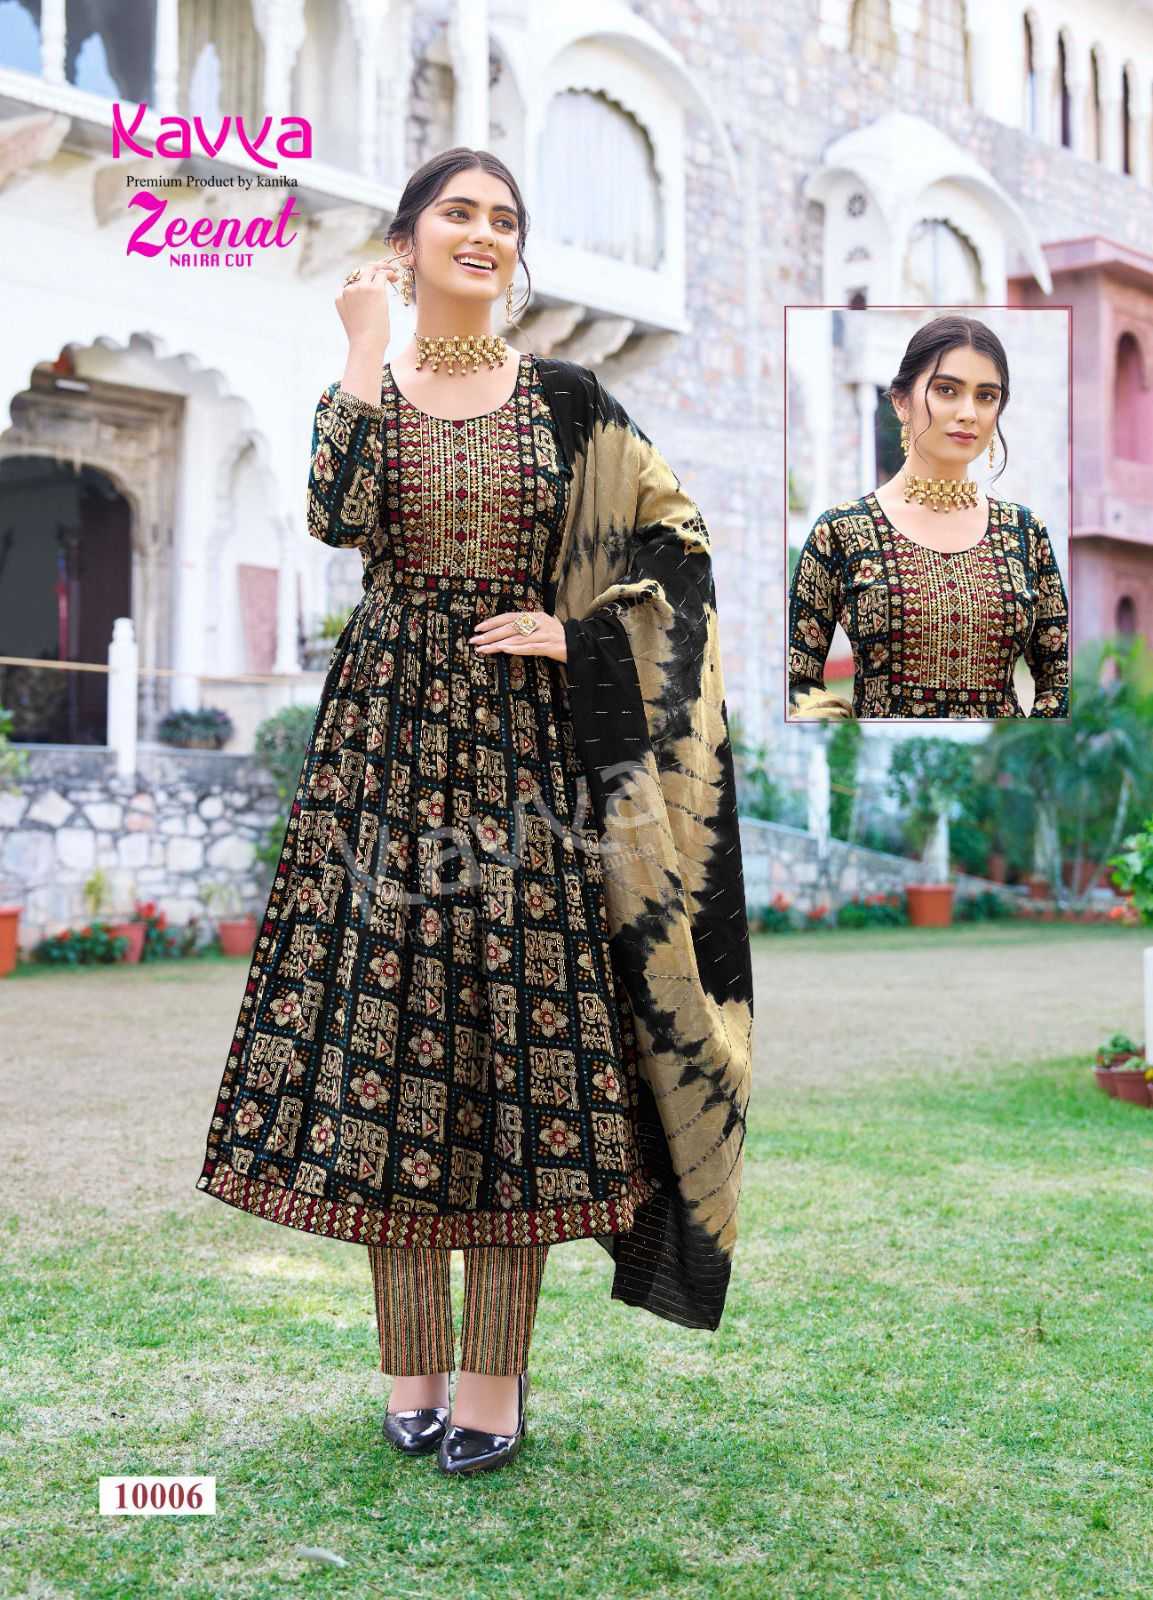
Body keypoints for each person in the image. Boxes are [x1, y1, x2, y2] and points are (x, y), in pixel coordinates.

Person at [194, 147, 754, 1477]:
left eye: (505, 217)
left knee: (519, 1054)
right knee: (388, 1052)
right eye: (458, 211)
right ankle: (411, 1370)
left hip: (522, 766)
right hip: (382, 757)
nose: (485, 232)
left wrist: (583, 635)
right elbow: (335, 513)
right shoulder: (371, 382)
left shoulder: (566, 402)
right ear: (407, 237)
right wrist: (360, 340)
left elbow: (677, 545)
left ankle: (493, 1383)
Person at [787, 314, 1070, 720]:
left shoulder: (1025, 533)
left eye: (986, 396)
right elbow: (797, 680)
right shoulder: (842, 531)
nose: (968, 412)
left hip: (1001, 760)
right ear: (901, 402)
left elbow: (1058, 683)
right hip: (884, 757)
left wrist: (1029, 748)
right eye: (946, 390)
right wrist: (829, 723)